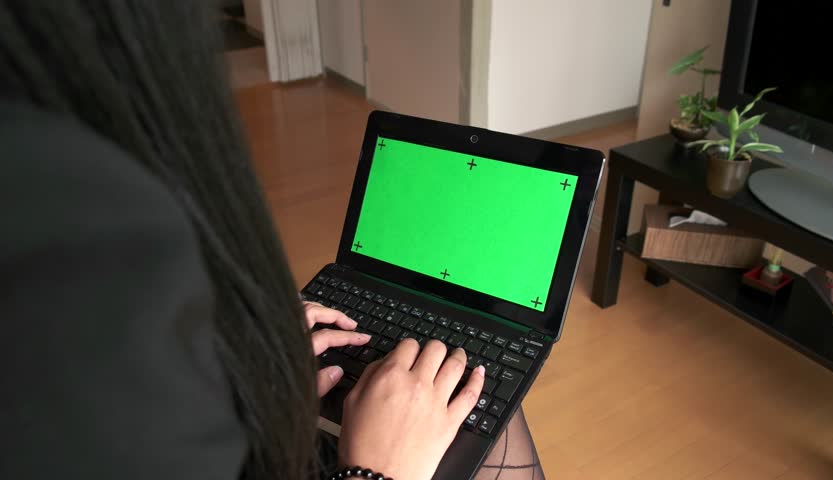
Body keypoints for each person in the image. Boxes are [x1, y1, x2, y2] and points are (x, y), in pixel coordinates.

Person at [0, 1, 544, 479]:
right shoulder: (70, 241)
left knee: (465, 384)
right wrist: (375, 471)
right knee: (481, 400)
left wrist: (245, 368)